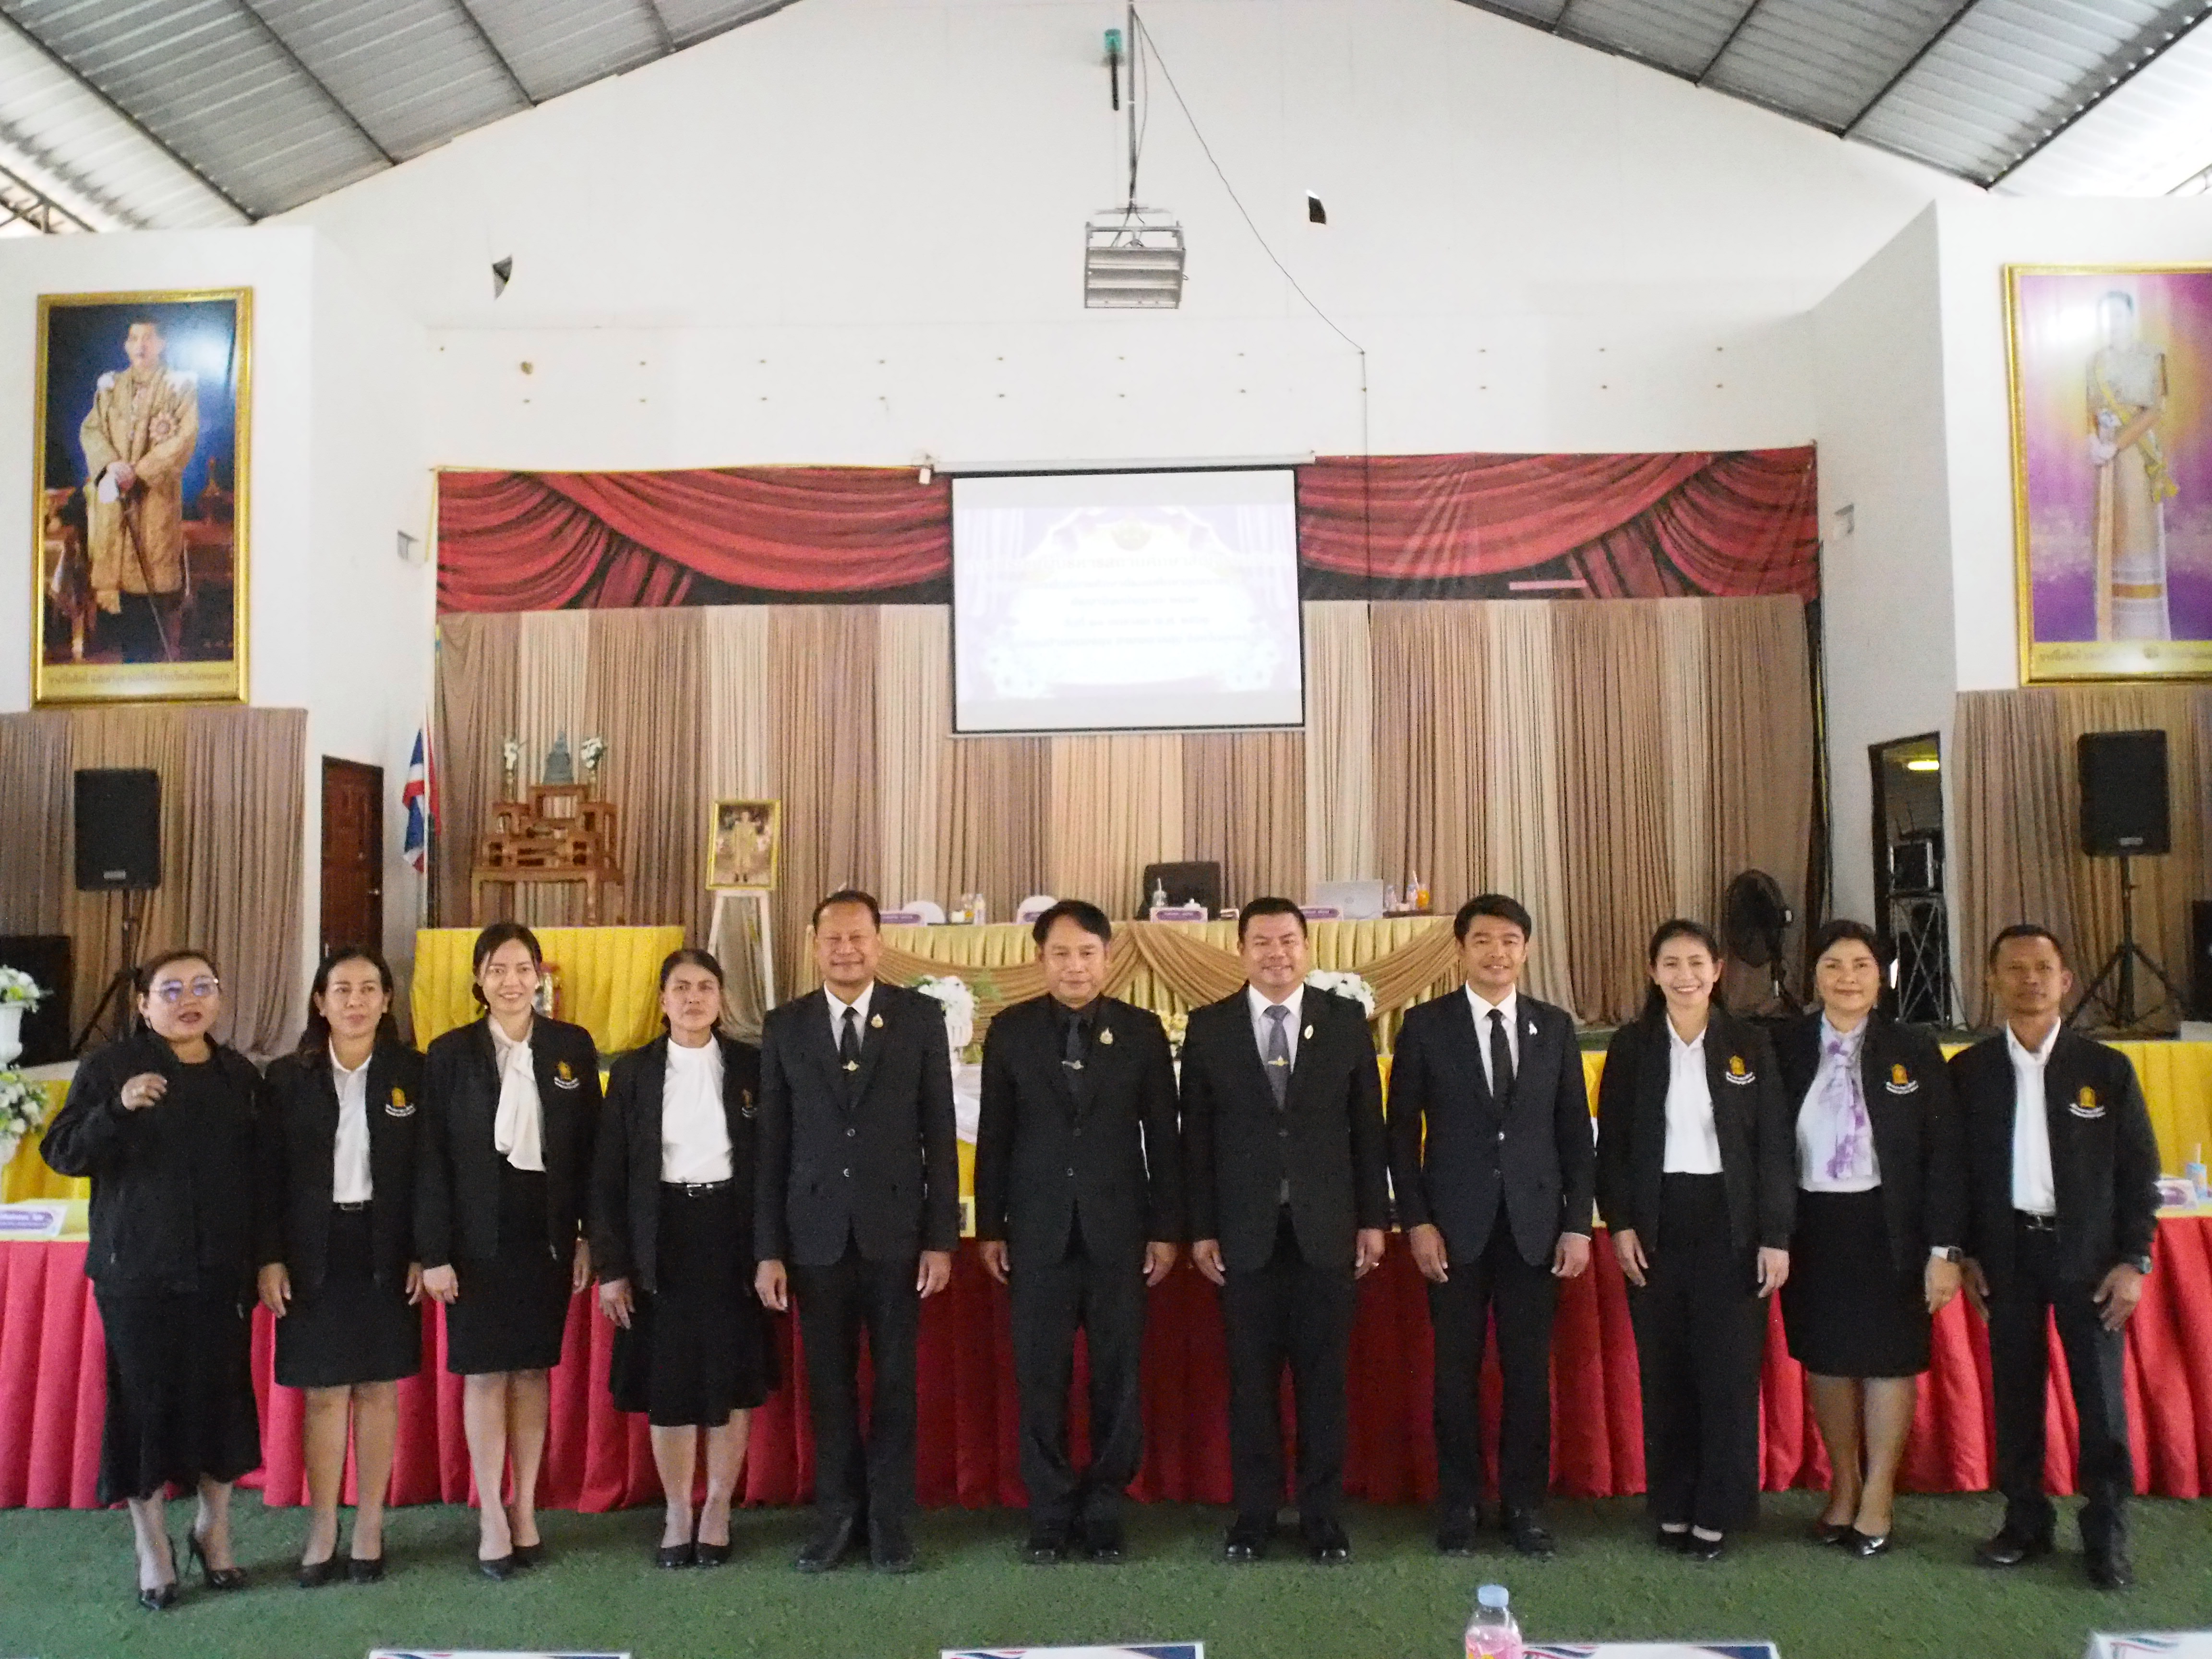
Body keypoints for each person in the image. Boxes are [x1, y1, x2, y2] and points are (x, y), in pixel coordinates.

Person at [41, 949, 264, 1611]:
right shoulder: (110, 1068)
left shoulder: (239, 1075)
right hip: (137, 1273)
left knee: (222, 1402)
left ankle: (213, 1531)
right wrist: (116, 1108)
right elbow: (63, 1152)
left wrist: (265, 1257)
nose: (188, 1000)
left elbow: (263, 1175)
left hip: (222, 1272)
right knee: (143, 1409)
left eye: (202, 986)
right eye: (171, 990)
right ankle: (153, 1547)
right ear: (142, 1005)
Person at [754, 890, 959, 1574]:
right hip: (814, 1237)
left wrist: (940, 1239)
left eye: (858, 938)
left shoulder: (919, 1018)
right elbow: (772, 1144)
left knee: (898, 1383)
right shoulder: (786, 1025)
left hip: (897, 1234)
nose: (846, 950)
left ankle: (889, 1522)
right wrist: (769, 1250)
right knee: (829, 1386)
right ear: (814, 945)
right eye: (833, 939)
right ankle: (838, 1518)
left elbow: (938, 1132)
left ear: (879, 943)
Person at [1181, 896, 1389, 1565]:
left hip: (1328, 1231)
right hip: (1243, 1236)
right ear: (1241, 950)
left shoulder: (1344, 1021)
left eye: (1288, 941)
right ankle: (1255, 1515)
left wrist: (1373, 1219)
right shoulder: (1209, 1027)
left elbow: (1368, 1128)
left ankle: (1323, 1516)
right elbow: (1196, 1140)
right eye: (1263, 943)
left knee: (1325, 1384)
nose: (1277, 954)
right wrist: (1201, 1227)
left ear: (1307, 947)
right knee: (1251, 1385)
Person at [974, 900, 1182, 1566]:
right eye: (1061, 954)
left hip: (1120, 1231)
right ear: (1040, 959)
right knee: (1041, 1377)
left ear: (1108, 958)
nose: (1075, 967)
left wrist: (1166, 1228)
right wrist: (991, 1226)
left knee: (1118, 1377)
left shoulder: (1141, 1031)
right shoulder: (1011, 1031)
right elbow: (995, 1136)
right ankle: (1050, 1510)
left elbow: (1164, 1138)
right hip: (1037, 1232)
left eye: (1087, 953)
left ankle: (1104, 1509)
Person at [1951, 924, 2160, 1590]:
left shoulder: (2106, 1069)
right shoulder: (1970, 1072)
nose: (2030, 980)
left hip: (2090, 1260)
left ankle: (2107, 1533)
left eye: (2043, 968)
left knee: (2100, 1403)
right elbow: (1955, 1175)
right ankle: (2024, 1522)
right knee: (2016, 1396)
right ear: (1993, 981)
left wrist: (2135, 1260)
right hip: (2006, 1256)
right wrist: (1965, 1253)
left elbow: (2140, 1174)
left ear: (2066, 981)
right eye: (2015, 968)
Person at [1386, 893, 1594, 1559]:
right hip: (1453, 1231)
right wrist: (1417, 1222)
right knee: (1455, 1375)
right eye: (1482, 940)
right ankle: (1460, 1505)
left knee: (1529, 1376)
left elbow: (1575, 1133)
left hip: (1535, 1229)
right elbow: (1400, 1136)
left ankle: (1525, 1506)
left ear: (1526, 950)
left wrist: (1577, 1225)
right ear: (1460, 950)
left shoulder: (1554, 1028)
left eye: (1509, 941)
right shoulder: (1425, 1026)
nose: (1496, 953)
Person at [1595, 919, 1792, 1562]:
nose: (1685, 975)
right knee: (1667, 1373)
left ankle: (1719, 1509)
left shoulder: (1750, 1044)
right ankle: (1674, 1504)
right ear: (1653, 973)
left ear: (1717, 971)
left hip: (1731, 1227)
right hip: (1656, 1225)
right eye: (1671, 964)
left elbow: (1774, 1145)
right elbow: (1613, 1147)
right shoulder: (1632, 1047)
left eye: (1697, 963)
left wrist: (1775, 1235)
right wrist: (1621, 1224)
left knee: (1727, 1374)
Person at [1774, 920, 1964, 1558]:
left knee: (1889, 1360)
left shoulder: (1914, 1047)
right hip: (1813, 1225)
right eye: (1833, 965)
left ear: (1881, 976)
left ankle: (1880, 1493)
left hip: (1892, 1226)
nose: (1847, 978)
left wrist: (1944, 1249)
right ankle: (1845, 1485)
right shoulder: (1785, 1045)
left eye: (1860, 965)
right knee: (1826, 1359)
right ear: (1814, 976)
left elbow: (1945, 1155)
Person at [417, 921, 600, 1579]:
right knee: (485, 1374)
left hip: (545, 1235)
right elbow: (431, 1160)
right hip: (475, 1241)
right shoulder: (449, 1053)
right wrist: (434, 1252)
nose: (512, 981)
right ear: (479, 979)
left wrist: (589, 1236)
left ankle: (525, 1508)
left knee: (531, 1373)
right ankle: (491, 1514)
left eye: (523, 968)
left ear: (539, 977)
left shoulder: (570, 1047)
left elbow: (592, 1153)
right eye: (497, 969)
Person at [592, 949, 776, 1569]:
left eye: (705, 987)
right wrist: (613, 1268)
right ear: (663, 1000)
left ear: (721, 999)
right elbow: (608, 1175)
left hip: (731, 1236)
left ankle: (718, 1506)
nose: (693, 998)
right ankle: (677, 1510)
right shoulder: (634, 1072)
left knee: (729, 1379)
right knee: (669, 1383)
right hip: (660, 1236)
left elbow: (772, 1167)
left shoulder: (751, 1066)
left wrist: (769, 1252)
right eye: (681, 987)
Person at [256, 946, 426, 1587]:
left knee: (379, 1389)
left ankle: (370, 1525)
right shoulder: (286, 1078)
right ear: (320, 1002)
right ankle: (323, 1525)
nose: (356, 1001)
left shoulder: (414, 1072)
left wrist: (426, 1250)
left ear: (387, 1001)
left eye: (369, 989)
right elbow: (265, 1179)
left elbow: (430, 1172)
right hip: (312, 1251)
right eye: (343, 990)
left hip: (386, 1248)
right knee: (324, 1394)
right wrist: (269, 1256)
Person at [78, 314, 199, 640]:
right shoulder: (111, 387)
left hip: (154, 500)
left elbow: (184, 438)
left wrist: (140, 473)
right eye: (134, 338)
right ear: (126, 345)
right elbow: (91, 430)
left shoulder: (179, 387)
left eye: (148, 338)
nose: (140, 345)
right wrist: (111, 466)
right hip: (115, 501)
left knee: (151, 600)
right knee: (118, 611)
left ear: (161, 344)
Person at [2086, 290, 2175, 642]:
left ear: (2131, 317)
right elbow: (2088, 409)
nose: (2114, 323)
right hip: (2104, 460)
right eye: (2108, 317)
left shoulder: (2152, 356)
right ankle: (2112, 632)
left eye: (2120, 316)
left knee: (2137, 533)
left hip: (2136, 455)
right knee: (2109, 535)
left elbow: (2155, 410)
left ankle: (2144, 634)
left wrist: (2116, 445)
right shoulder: (2094, 361)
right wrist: (2092, 441)